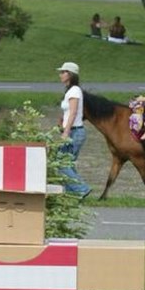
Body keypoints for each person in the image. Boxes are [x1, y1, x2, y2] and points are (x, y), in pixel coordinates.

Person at [57, 62, 91, 198]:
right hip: (71, 130)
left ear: (70, 75)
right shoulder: (70, 90)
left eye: (63, 72)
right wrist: (62, 124)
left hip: (75, 132)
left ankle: (82, 189)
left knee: (62, 163)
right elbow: (67, 113)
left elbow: (73, 112)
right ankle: (71, 193)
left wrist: (66, 132)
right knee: (68, 164)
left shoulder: (75, 90)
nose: (60, 75)